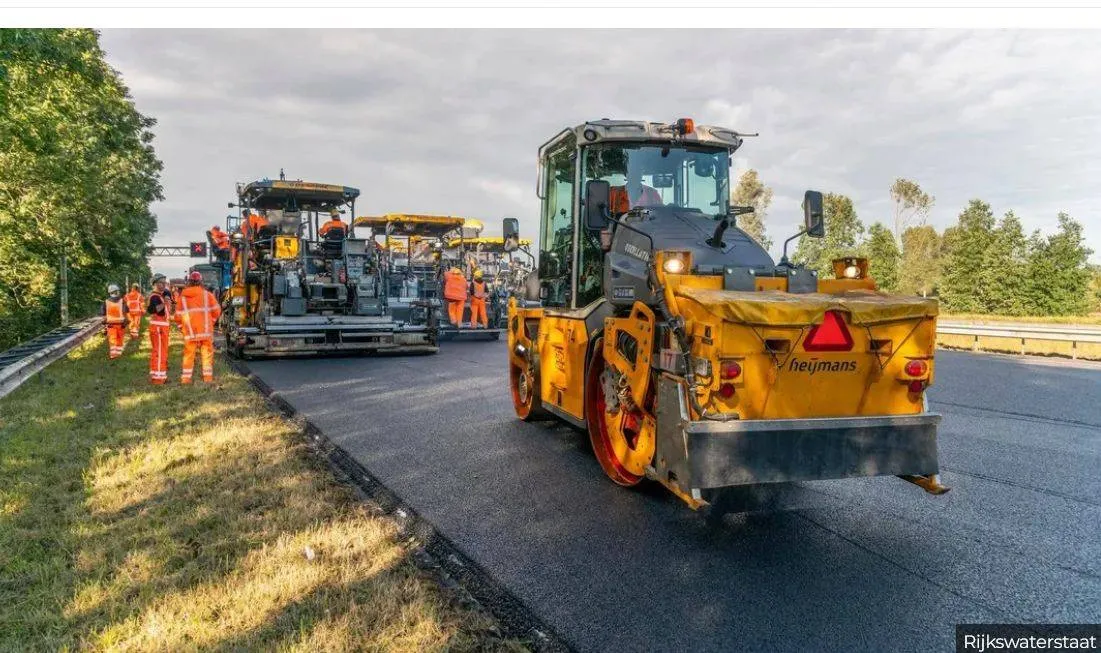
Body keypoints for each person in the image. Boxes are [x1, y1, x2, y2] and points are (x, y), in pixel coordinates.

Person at [175, 270, 221, 384]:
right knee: (207, 354)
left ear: (189, 282)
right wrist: (212, 322)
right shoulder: (207, 295)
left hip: (190, 332)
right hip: (205, 331)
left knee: (188, 355)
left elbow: (177, 316)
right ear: (201, 282)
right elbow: (217, 311)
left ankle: (186, 379)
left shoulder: (182, 297)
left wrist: (182, 328)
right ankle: (208, 378)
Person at [146, 273, 173, 385]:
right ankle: (158, 379)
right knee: (159, 352)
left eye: (164, 283)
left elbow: (167, 294)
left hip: (162, 328)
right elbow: (153, 310)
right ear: (155, 284)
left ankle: (159, 375)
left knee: (161, 352)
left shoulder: (161, 295)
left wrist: (167, 297)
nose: (163, 285)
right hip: (158, 329)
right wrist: (165, 302)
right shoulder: (155, 297)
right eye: (161, 283)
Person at [100, 284, 126, 359]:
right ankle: (118, 353)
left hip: (110, 324)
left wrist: (104, 324)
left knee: (112, 339)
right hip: (120, 324)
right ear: (116, 291)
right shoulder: (122, 301)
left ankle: (113, 354)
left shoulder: (106, 302)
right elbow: (125, 312)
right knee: (120, 338)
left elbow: (103, 315)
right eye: (118, 291)